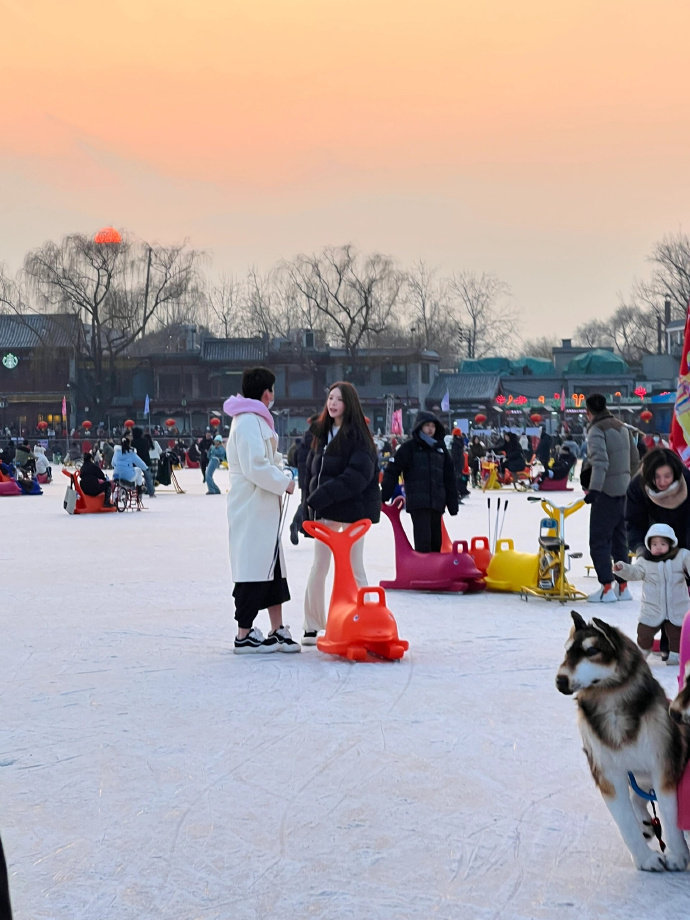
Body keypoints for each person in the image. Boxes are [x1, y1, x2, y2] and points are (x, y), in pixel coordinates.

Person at [223, 366, 299, 653]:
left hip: (264, 508)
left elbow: (268, 459)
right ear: (267, 392)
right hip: (252, 507)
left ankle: (277, 628)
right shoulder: (247, 422)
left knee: (273, 569)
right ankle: (244, 634)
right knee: (252, 569)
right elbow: (256, 466)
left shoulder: (256, 420)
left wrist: (282, 475)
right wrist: (284, 482)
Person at [302, 381, 381, 644]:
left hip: (353, 511)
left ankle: (369, 617)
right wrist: (307, 507)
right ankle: (312, 625)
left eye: (338, 399)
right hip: (325, 510)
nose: (332, 403)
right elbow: (310, 475)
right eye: (330, 398)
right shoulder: (319, 434)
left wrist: (320, 496)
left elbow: (356, 477)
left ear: (349, 404)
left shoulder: (359, 437)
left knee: (354, 566)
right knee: (319, 566)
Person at [581, 392, 639, 603]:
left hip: (605, 494)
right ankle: (623, 587)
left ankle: (606, 587)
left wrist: (594, 490)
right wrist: (627, 482)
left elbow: (600, 462)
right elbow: (635, 459)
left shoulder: (596, 429)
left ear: (588, 412)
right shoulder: (622, 426)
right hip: (623, 493)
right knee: (619, 541)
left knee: (599, 541)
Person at [614, 523, 690, 666]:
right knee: (643, 633)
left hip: (677, 607)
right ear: (649, 545)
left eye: (662, 543)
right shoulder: (645, 561)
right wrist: (622, 568)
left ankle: (675, 656)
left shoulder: (681, 557)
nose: (658, 547)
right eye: (654, 544)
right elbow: (635, 572)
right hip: (652, 609)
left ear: (671, 544)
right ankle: (642, 653)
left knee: (677, 635)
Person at [382, 411, 459, 552]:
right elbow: (393, 470)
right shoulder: (409, 448)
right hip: (418, 503)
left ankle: (434, 571)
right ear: (420, 427)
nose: (430, 429)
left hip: (437, 502)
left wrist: (452, 503)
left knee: (436, 543)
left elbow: (449, 477)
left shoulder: (440, 449)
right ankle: (424, 571)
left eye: (433, 426)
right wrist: (385, 494)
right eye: (427, 425)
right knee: (423, 543)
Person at [131, 427, 155, 497]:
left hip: (136, 462)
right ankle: (151, 492)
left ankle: (135, 492)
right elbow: (148, 449)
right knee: (148, 478)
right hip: (146, 461)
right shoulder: (145, 441)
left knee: (134, 478)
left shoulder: (133, 442)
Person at [450, 428, 470, 501]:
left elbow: (454, 455)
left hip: (458, 463)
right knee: (458, 479)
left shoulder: (455, 443)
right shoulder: (458, 443)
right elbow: (456, 456)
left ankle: (460, 492)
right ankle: (460, 492)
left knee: (459, 478)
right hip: (458, 464)